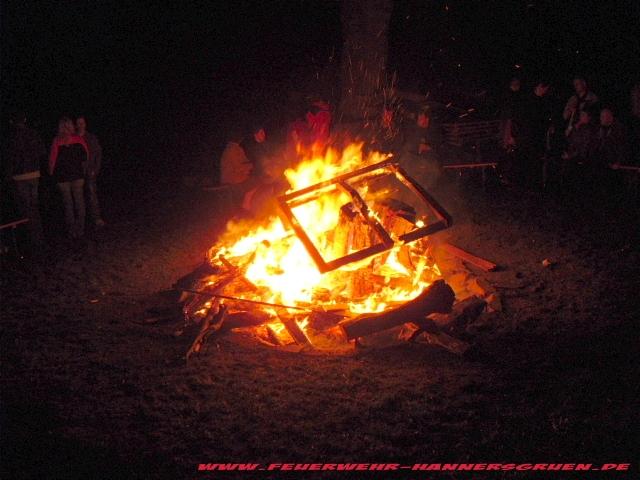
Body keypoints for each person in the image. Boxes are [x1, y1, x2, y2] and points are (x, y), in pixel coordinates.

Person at [4, 111, 46, 246]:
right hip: (34, 173)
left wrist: (8, 175)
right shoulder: (33, 133)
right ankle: (39, 236)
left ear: (12, 122)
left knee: (26, 207)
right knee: (34, 206)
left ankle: (34, 239)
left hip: (20, 175)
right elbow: (41, 152)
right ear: (25, 120)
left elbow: (10, 158)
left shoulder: (11, 137)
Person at [49, 117, 89, 239]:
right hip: (77, 175)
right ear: (71, 126)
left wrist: (51, 173)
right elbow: (86, 155)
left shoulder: (56, 141)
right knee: (79, 202)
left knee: (68, 205)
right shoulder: (78, 139)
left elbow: (52, 160)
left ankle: (72, 231)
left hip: (62, 178)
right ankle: (80, 229)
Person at [76, 116, 105, 227]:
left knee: (92, 194)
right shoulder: (73, 138)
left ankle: (96, 218)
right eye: (78, 123)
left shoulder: (91, 137)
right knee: (79, 197)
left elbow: (98, 153)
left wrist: (95, 169)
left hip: (89, 171)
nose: (80, 125)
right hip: (77, 172)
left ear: (85, 124)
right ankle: (83, 221)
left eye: (82, 123)